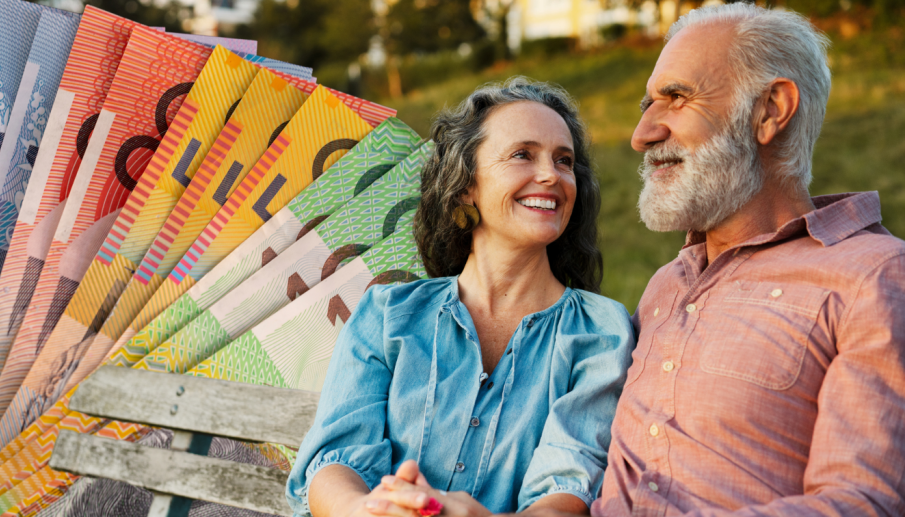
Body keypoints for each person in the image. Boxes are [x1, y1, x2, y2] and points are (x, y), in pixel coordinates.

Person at [586, 3, 905, 516]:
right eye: (648, 104)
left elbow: (862, 503)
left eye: (676, 98)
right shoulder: (665, 287)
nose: (641, 134)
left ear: (770, 110)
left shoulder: (874, 277)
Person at [285, 77, 635, 517]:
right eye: (523, 154)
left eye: (563, 161)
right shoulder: (388, 314)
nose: (551, 175)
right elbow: (333, 463)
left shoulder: (601, 332)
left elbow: (564, 498)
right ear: (466, 184)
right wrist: (370, 510)